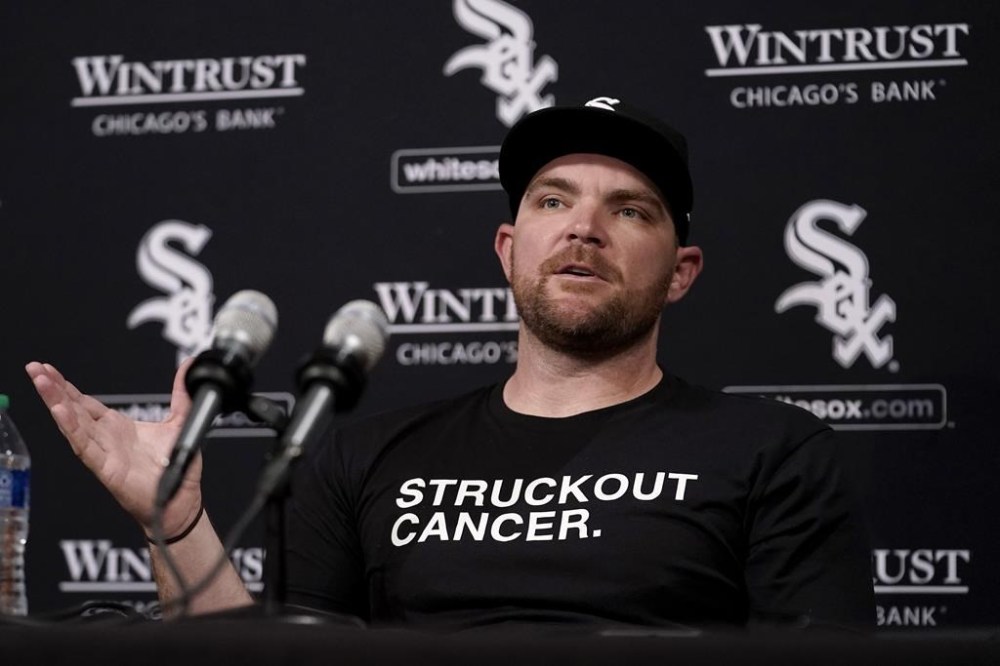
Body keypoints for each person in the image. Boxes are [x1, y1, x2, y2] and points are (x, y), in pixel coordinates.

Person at [26, 96, 874, 629]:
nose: (583, 229)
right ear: (509, 249)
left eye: (630, 211)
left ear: (681, 272)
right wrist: (174, 523)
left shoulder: (771, 451)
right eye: (552, 200)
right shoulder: (367, 457)